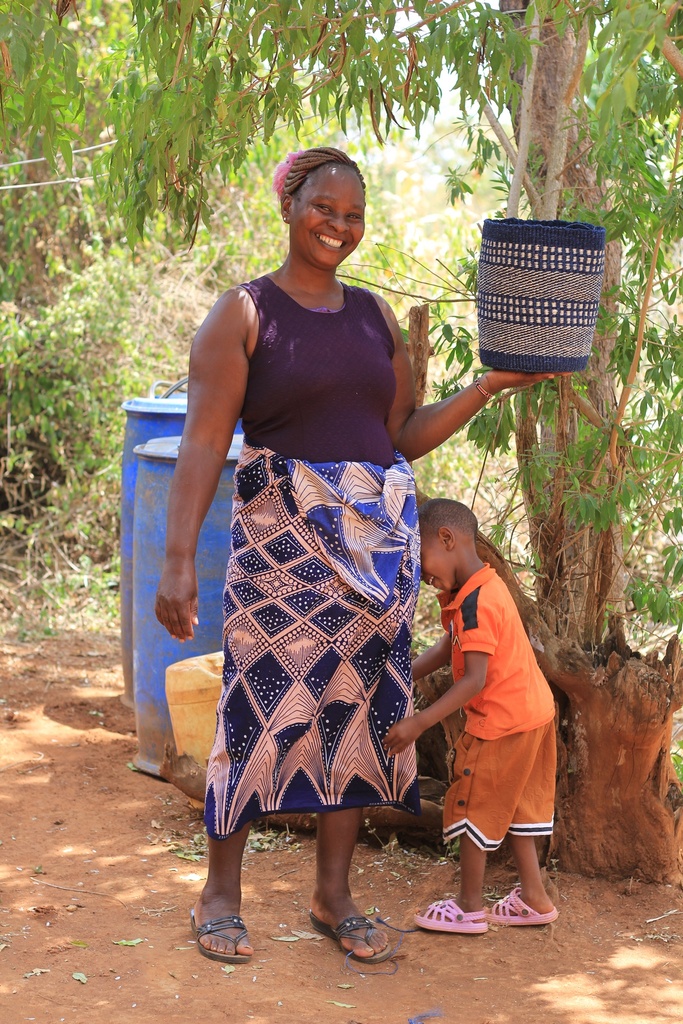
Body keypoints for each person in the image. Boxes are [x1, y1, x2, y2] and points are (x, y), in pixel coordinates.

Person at [155, 146, 559, 966]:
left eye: (352, 215)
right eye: (323, 208)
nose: (338, 225)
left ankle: (331, 895)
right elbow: (202, 443)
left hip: (373, 558)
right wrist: (173, 562)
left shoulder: (374, 318)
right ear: (288, 207)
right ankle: (220, 896)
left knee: (355, 720)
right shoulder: (243, 313)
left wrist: (486, 386)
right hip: (279, 551)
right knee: (253, 711)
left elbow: (396, 441)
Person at [383, 498, 559, 933]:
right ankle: (534, 898)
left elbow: (474, 680)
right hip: (534, 713)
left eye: (421, 559)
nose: (422, 575)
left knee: (473, 803)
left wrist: (418, 721)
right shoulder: (481, 589)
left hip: (501, 722)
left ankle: (468, 906)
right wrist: (399, 673)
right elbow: (449, 648)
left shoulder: (475, 603)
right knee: (517, 805)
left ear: (447, 539)